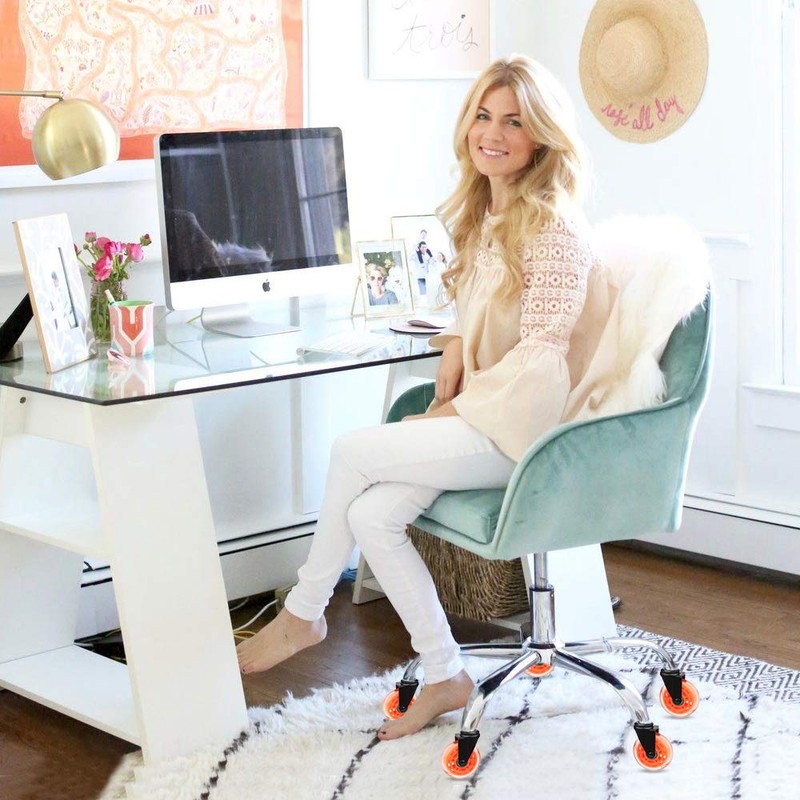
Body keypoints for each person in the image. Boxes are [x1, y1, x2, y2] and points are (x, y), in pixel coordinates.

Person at [236, 54, 600, 741]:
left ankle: (305, 611)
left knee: (350, 451)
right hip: (488, 416)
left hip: (524, 432)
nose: (492, 133)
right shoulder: (492, 214)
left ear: (543, 137)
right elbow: (484, 311)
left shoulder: (553, 228)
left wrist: (459, 408)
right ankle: (445, 673)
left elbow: (542, 363)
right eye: (484, 116)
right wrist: (458, 342)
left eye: (514, 122)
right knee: (372, 516)